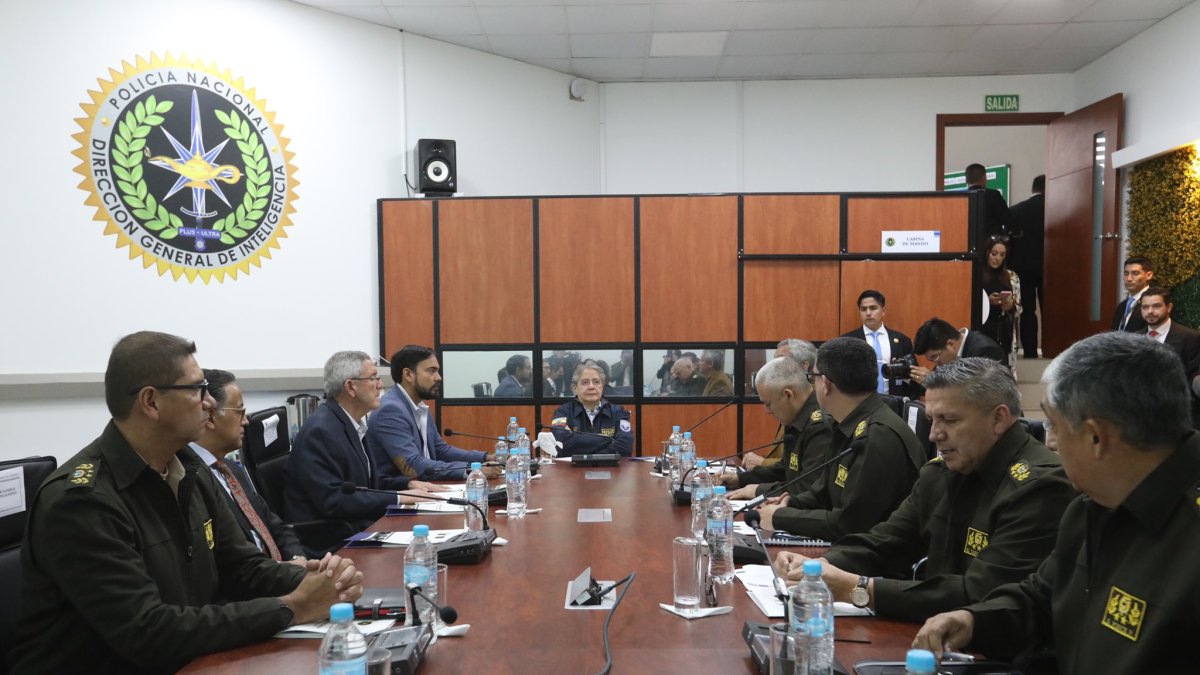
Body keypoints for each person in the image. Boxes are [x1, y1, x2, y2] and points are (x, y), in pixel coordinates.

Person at [9, 331, 363, 674]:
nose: (210, 402)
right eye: (197, 389)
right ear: (151, 402)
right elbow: (148, 631)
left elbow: (242, 568)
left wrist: (316, 579)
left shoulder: (190, 468)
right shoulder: (83, 500)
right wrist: (293, 607)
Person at [914, 332, 1200, 673]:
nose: (1049, 442)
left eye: (1053, 424)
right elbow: (1041, 598)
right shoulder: (1090, 506)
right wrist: (973, 621)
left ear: (1097, 437)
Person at [774, 358, 1073, 623]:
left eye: (950, 420)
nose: (934, 434)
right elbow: (885, 541)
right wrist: (821, 565)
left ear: (999, 418)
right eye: (932, 420)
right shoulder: (940, 473)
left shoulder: (1040, 487)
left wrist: (859, 588)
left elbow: (983, 595)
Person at [752, 338, 926, 540]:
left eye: (812, 377)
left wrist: (780, 517)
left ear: (825, 383)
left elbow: (849, 524)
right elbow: (821, 492)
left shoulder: (878, 436)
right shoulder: (845, 425)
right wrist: (789, 503)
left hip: (876, 561)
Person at [285, 351, 441, 541]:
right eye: (373, 378)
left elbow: (366, 484)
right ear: (351, 387)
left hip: (358, 525)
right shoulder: (321, 431)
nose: (380, 385)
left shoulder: (352, 423)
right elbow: (335, 500)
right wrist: (399, 497)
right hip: (331, 539)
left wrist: (407, 483)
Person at [188, 368, 304, 561]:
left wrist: (297, 559)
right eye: (239, 412)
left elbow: (275, 524)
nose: (246, 421)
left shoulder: (231, 469)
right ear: (210, 415)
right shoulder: (192, 478)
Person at [367, 345, 502, 481]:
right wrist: (472, 469)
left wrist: (486, 457)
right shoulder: (390, 410)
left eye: (437, 371)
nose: (438, 378)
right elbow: (413, 465)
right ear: (408, 375)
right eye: (431, 371)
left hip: (427, 488)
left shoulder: (419, 406)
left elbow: (441, 450)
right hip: (403, 495)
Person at [724, 355, 832, 499]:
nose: (767, 411)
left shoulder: (821, 425)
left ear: (788, 395)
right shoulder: (796, 417)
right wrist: (740, 479)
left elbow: (806, 487)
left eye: (768, 403)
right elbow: (784, 469)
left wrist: (758, 491)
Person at [743, 339, 819, 470]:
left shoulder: (815, 403)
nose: (773, 368)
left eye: (780, 362)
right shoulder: (784, 398)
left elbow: (802, 468)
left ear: (804, 367)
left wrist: (762, 463)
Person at [840, 289, 922, 399]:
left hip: (894, 403)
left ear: (883, 311)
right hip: (859, 403)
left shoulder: (902, 340)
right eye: (863, 309)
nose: (868, 313)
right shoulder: (847, 341)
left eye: (873, 308)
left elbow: (913, 376)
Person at [549, 363, 633, 457]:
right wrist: (609, 440)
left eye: (596, 382)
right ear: (575, 388)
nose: (591, 387)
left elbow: (625, 447)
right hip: (573, 469)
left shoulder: (619, 413)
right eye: (585, 382)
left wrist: (575, 440)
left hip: (610, 468)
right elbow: (561, 444)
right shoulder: (562, 412)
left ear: (602, 386)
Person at [910, 317, 1007, 387]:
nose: (936, 363)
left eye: (935, 357)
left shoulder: (985, 351)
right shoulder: (946, 357)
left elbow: (979, 392)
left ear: (951, 344)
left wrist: (935, 381)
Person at [1008, 175, 1044, 358]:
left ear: (1033, 189)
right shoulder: (1057, 208)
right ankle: (1054, 347)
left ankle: (1030, 352)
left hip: (1022, 268)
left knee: (1027, 312)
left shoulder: (1016, 211)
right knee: (1052, 311)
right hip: (1052, 268)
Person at [976, 238, 1020, 366]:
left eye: (1002, 255)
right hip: (981, 328)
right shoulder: (976, 274)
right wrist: (987, 301)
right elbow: (968, 302)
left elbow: (1018, 306)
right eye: (994, 254)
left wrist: (1010, 306)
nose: (997, 258)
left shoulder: (1011, 276)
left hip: (1001, 329)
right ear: (986, 253)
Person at [965, 163, 1010, 244]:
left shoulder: (961, 197)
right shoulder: (993, 195)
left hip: (967, 244)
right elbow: (1006, 217)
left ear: (966, 180)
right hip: (990, 245)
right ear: (984, 177)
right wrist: (1016, 231)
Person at [1111, 255, 1154, 332]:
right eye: (1126, 273)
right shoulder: (1121, 306)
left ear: (1149, 275)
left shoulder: (1155, 302)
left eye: (1135, 273)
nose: (1129, 279)